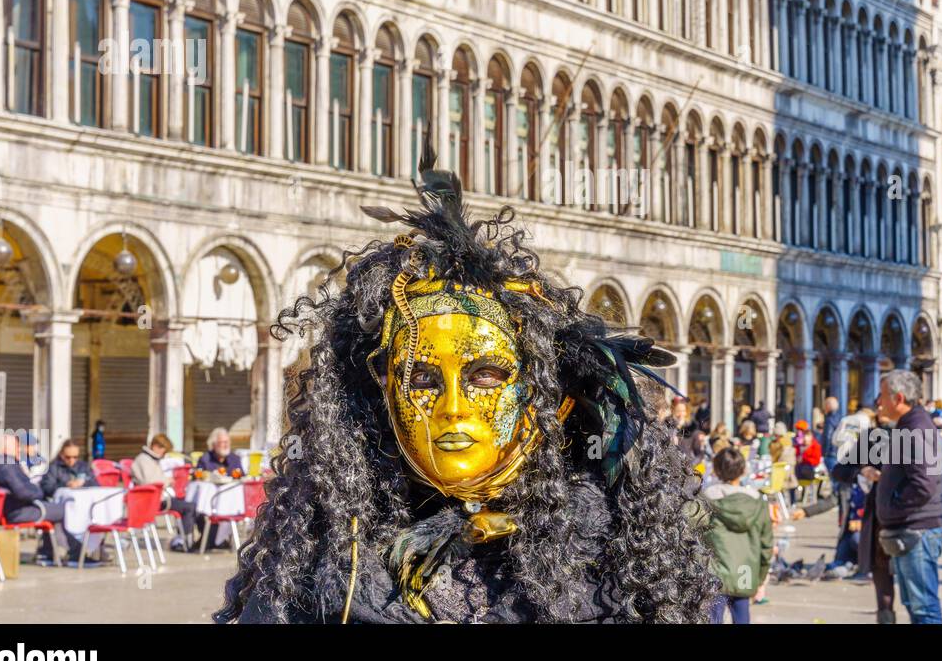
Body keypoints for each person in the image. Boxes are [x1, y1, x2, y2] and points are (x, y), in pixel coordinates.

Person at [215, 145, 717, 623]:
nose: (453, 408)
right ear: (384, 394)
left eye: (485, 375)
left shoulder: (620, 565)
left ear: (548, 398)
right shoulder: (321, 566)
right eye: (423, 379)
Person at [872, 369, 942, 625]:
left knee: (924, 607)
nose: (879, 402)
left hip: (917, 530)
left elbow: (925, 483)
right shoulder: (910, 425)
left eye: (882, 396)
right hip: (911, 528)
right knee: (915, 605)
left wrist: (894, 505)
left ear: (898, 398)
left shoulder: (916, 428)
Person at [0, 434, 78, 566]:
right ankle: (75, 553)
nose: (19, 450)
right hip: (17, 512)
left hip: (3, 512)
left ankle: (47, 552)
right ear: (5, 448)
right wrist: (38, 491)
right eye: (15, 447)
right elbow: (24, 492)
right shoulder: (7, 467)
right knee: (65, 509)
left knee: (52, 508)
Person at [700, 447, 771, 624]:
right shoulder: (757, 503)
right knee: (742, 617)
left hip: (714, 572)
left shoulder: (707, 499)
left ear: (716, 470)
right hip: (745, 573)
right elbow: (766, 545)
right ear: (743, 470)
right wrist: (760, 578)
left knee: (712, 619)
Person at [132, 434, 199, 552]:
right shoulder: (143, 460)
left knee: (188, 504)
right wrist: (167, 481)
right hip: (152, 500)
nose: (163, 454)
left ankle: (183, 539)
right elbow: (150, 482)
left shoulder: (150, 459)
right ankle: (184, 541)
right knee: (189, 507)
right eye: (163, 450)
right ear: (155, 446)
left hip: (158, 497)